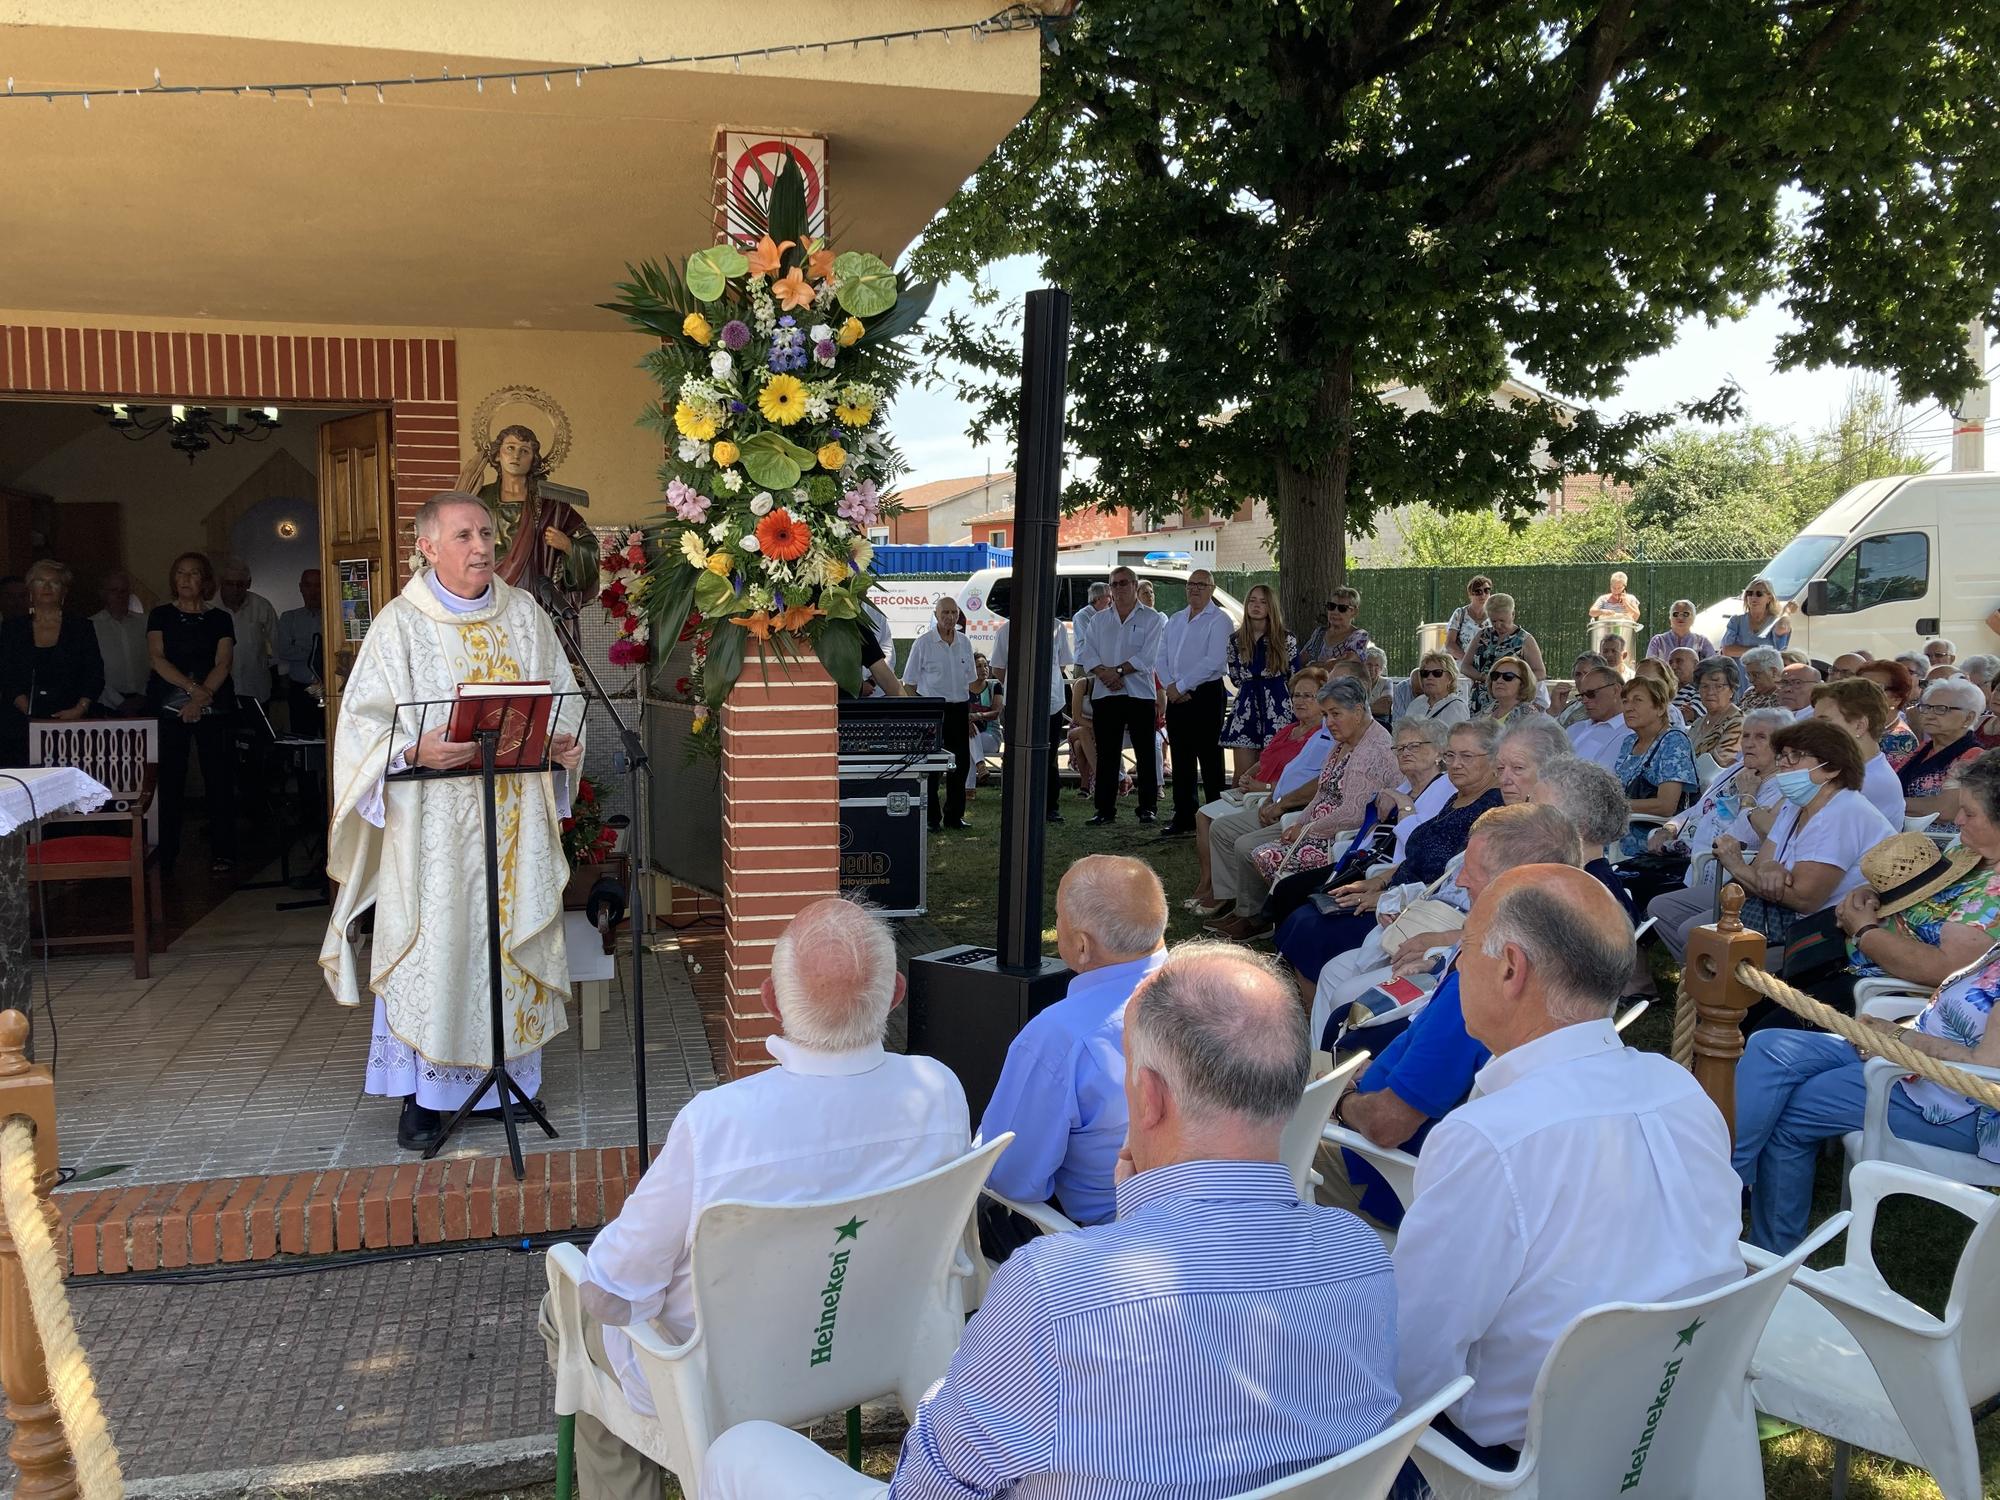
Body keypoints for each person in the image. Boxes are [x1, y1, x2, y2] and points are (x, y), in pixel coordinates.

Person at [701, 944, 1401, 1500]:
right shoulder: (1360, 1258)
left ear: (1147, 1099)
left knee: (742, 1452)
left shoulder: (1055, 1291)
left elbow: (926, 1490)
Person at [551, 900, 969, 1500]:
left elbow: (614, 1291)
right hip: (868, 1347)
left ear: (770, 1002)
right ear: (896, 992)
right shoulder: (939, 1091)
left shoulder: (718, 1124)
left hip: (716, 1380)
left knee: (564, 1306)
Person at [1393, 867, 1742, 1471]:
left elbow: (1411, 1365)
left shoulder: (1489, 1139)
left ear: (1511, 969)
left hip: (1515, 1463)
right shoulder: (1678, 1089)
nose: (1454, 965)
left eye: (1463, 947)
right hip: (1677, 1424)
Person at [320, 494, 585, 1151]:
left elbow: (566, 697)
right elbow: (359, 730)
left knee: (504, 945)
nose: (481, 546)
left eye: (487, 533)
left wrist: (556, 737)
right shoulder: (400, 625)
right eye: (463, 535)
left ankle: (504, 1087)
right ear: (429, 548)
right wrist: (413, 751)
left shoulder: (525, 615)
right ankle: (423, 1096)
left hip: (514, 820)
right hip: (435, 827)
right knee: (440, 946)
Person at [1325, 804, 1585, 1225]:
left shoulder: (1486, 985)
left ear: (1511, 886)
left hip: (1394, 1182)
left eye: (1472, 869)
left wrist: (1340, 1103)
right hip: (1469, 1176)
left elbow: (1389, 1126)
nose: (1460, 879)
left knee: (1266, 1146)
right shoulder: (1575, 966)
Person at [1734, 937, 2000, 1254]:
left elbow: (1986, 1065)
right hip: (1912, 1062)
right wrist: (1885, 1032)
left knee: (1794, 1111)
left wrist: (1899, 1038)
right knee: (1770, 1046)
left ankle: (1768, 1249)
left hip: (1957, 1105)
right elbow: (1946, 1019)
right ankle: (1729, 1178)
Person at [978, 857, 1167, 1252]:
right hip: (1225, 1224)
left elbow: (1010, 1178)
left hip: (1109, 1244)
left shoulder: (1060, 1037)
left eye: (1058, 916)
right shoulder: (1222, 988)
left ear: (1081, 945)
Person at [1278, 719, 1503, 981]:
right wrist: (1378, 881)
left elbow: (1451, 877)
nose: (1455, 763)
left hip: (1414, 909)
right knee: (1306, 913)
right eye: (1451, 755)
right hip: (1394, 888)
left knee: (1314, 929)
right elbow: (1418, 854)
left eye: (1466, 756)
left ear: (1494, 759)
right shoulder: (1458, 796)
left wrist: (1388, 896)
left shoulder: (1490, 809)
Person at [1210, 678, 1396, 939]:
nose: (1329, 722)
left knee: (1264, 855)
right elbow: (1322, 792)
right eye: (1326, 715)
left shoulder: (1371, 749)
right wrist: (1300, 823)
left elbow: (1352, 814)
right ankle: (1281, 918)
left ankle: (1283, 921)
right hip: (1318, 828)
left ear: (1357, 712)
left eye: (1335, 714)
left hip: (1344, 839)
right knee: (1263, 854)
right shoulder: (1343, 741)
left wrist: (1306, 830)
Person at [1712, 717, 1898, 955]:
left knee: (1709, 950)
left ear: (1831, 769)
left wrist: (1736, 864)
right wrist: (1770, 866)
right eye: (1782, 755)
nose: (1784, 764)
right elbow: (1760, 868)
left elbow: (1804, 900)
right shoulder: (1797, 805)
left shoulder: (1842, 812)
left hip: (1830, 938)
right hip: (1786, 920)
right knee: (1693, 933)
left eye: (1796, 756)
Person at [1823, 773, 2000, 1009]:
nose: (1957, 820)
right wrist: (1871, 892)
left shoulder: (1994, 894)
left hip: (1878, 992)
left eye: (1969, 814)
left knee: (1767, 1028)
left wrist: (1864, 931)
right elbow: (1914, 888)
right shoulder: (1967, 853)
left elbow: (1944, 970)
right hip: (1841, 960)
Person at [1187, 668, 1330, 917]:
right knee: (1205, 816)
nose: (1300, 701)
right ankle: (1216, 889)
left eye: (1309, 696)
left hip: (1281, 803)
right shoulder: (1289, 730)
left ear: (1324, 700)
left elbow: (1312, 784)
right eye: (1296, 695)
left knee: (1227, 831)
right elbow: (1265, 759)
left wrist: (1265, 791)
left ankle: (1242, 909)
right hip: (1262, 796)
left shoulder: (1324, 736)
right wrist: (1248, 776)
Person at [1649, 707, 1790, 958]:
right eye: (1746, 736)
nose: (1749, 743)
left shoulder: (1780, 786)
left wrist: (1749, 796)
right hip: (1687, 851)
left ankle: (1701, 978)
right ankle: (1695, 975)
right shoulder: (1736, 771)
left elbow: (1741, 840)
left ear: (1782, 746)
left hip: (1725, 871)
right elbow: (1700, 808)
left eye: (1760, 737)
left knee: (1684, 927)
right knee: (1651, 899)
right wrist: (1669, 827)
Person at [147, 551, 237, 874]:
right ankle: (167, 852)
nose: (186, 579)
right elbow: (157, 658)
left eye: (194, 573)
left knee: (219, 777)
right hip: (171, 700)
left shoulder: (220, 618)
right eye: (180, 573)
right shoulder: (160, 615)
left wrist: (202, 698)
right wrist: (191, 690)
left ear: (205, 581)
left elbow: (223, 661)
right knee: (170, 779)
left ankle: (224, 850)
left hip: (212, 700)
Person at [461, 422, 599, 608]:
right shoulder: (479, 499)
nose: (516, 455)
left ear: (533, 459)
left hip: (536, 599)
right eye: (510, 448)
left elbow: (590, 544)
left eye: (524, 451)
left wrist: (568, 545)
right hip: (487, 594)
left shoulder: (551, 503)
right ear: (497, 454)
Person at [1078, 566, 1165, 826]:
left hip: (1140, 693)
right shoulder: (1099, 620)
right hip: (1106, 694)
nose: (1118, 588)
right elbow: (1085, 653)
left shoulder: (1152, 619)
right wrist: (1105, 674)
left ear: (1135, 585)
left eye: (1123, 583)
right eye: (1113, 584)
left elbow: (1148, 657)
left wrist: (1117, 671)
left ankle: (1147, 807)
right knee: (1107, 753)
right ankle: (1104, 810)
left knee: (1146, 752)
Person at [0, 559, 104, 767]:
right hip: (21, 723)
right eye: (40, 581)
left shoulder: (81, 627)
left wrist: (80, 708)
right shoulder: (12, 628)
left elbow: (94, 673)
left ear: (64, 591)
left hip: (72, 719)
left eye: (54, 582)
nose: (47, 587)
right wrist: (27, 708)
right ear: (30, 589)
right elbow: (5, 673)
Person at [1160, 569, 1232, 837]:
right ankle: (1184, 816)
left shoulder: (1220, 620)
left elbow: (1213, 661)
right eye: (1191, 584)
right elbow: (1161, 655)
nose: (1195, 589)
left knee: (1210, 759)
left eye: (1201, 585)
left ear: (1212, 589)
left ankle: (1214, 820)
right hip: (1176, 695)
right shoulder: (1176, 619)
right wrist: (1171, 686)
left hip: (1205, 695)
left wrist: (1180, 686)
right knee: (1181, 758)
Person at [901, 594, 980, 832]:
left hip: (959, 709)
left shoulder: (965, 642)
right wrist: (918, 713)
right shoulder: (923, 643)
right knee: (932, 766)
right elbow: (909, 683)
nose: (949, 617)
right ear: (936, 614)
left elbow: (973, 683)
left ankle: (955, 817)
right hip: (933, 709)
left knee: (961, 764)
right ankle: (931, 819)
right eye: (945, 612)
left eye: (953, 613)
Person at [1528, 756, 1642, 919]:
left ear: (1579, 828)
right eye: (1528, 804)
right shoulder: (1585, 878)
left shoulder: (1584, 895)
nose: (1525, 816)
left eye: (1542, 813)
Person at [992, 608, 1072, 822]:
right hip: (1018, 705)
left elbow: (1061, 664)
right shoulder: (1006, 631)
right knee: (1016, 755)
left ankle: (1050, 808)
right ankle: (1017, 806)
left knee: (1050, 757)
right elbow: (998, 670)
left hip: (1051, 703)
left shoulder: (1057, 628)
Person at [1218, 582, 1297, 776]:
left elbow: (1294, 676)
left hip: (1278, 708)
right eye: (1252, 601)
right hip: (1246, 707)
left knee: (1273, 771)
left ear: (1271, 606)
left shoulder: (1286, 639)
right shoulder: (1235, 640)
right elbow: (1235, 677)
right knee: (1242, 774)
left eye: (1262, 601)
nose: (1256, 605)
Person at [1612, 675, 1695, 856]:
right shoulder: (1629, 741)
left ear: (1659, 708)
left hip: (1648, 836)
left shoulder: (1673, 741)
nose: (1628, 707)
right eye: (1625, 701)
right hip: (1618, 827)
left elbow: (1666, 806)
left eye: (1638, 700)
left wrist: (1617, 805)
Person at [1811, 677, 1905, 826]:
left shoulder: (1868, 781)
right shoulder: (1855, 772)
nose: (1812, 729)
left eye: (1824, 722)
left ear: (1860, 726)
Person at [1900, 676, 1985, 835]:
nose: (1930, 715)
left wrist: (1889, 803)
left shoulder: (1974, 756)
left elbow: (1946, 810)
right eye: (1926, 707)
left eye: (1941, 709)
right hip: (1906, 839)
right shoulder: (1924, 749)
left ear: (1969, 717)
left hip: (1941, 845)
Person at [1463, 592, 1547, 716]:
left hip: (1511, 704)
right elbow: (1465, 666)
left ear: (1512, 615)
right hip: (1480, 702)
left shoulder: (1524, 639)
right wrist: (1485, 678)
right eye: (1493, 621)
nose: (1498, 625)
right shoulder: (1482, 636)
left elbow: (1540, 672)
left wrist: (1514, 681)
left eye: (1502, 620)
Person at [217, 558, 278, 710]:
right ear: (221, 582)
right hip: (217, 690)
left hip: (256, 688)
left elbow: (277, 641)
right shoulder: (209, 607)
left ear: (248, 583)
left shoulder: (262, 606)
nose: (235, 589)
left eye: (240, 584)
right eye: (230, 584)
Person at [89, 566, 150, 715]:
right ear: (103, 593)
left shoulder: (145, 623)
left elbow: (154, 661)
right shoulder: (91, 626)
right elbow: (91, 670)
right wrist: (118, 701)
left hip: (145, 701)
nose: (120, 595)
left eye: (124, 591)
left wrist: (142, 695)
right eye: (114, 591)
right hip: (106, 704)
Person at [273, 567, 326, 735]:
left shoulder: (333, 617)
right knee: (302, 736)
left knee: (331, 735)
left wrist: (301, 647)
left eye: (318, 586)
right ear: (301, 588)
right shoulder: (289, 618)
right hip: (300, 689)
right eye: (309, 586)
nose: (313, 591)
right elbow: (284, 650)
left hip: (329, 689)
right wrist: (317, 650)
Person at [1563, 666, 1628, 771]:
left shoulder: (1629, 734)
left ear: (1616, 690)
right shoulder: (1575, 728)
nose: (1584, 700)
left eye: (1591, 694)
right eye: (1582, 695)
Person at [1857, 657, 1920, 764]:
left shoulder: (1901, 741)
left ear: (1896, 699)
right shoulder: (1854, 725)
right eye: (1859, 687)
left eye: (1875, 688)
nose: (1863, 694)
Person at [1719, 576, 1794, 656]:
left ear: (1769, 598)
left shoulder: (1775, 622)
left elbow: (1782, 627)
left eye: (1759, 594)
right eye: (1749, 593)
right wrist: (1760, 651)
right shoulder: (1736, 621)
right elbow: (1726, 650)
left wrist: (1787, 611)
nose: (1753, 597)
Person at [1690, 658, 1744, 766]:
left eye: (1718, 686)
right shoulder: (1698, 722)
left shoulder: (1738, 723)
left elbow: (1719, 766)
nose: (1710, 692)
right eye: (1704, 686)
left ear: (1732, 689)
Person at [1302, 586, 1369, 665]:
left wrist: (1311, 666)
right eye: (1331, 606)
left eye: (1342, 608)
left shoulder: (1359, 635)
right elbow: (1301, 659)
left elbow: (1345, 664)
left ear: (1354, 612)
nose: (1335, 612)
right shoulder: (1319, 632)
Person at [1443, 576, 1494, 670]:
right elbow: (1450, 644)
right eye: (1478, 592)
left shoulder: (1494, 616)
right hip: (1461, 669)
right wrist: (1469, 662)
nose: (1483, 595)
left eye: (1487, 590)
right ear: (1470, 595)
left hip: (1486, 669)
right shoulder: (1460, 613)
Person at [1406, 650, 1469, 726]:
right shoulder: (1415, 704)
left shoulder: (1457, 707)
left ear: (1450, 678)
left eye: (1437, 673)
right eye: (1425, 673)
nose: (1429, 677)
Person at [1479, 653, 1541, 727]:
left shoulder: (1528, 715)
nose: (1499, 680)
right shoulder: (1487, 709)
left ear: (1523, 684)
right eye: (1495, 676)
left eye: (1508, 676)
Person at [1552, 651, 1610, 728]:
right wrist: (1555, 709)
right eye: (1578, 674)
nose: (1582, 679)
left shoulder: (1600, 706)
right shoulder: (1572, 704)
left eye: (1587, 674)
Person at [1646, 598, 1715, 662]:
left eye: (1685, 614)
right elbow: (1650, 668)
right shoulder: (1658, 641)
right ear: (1670, 618)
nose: (1680, 617)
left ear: (1693, 618)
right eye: (1675, 614)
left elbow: (1712, 667)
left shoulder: (1702, 642)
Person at [1069, 580, 1110, 659]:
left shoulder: (1108, 614)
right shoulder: (1082, 616)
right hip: (1085, 664)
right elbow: (1091, 641)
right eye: (1108, 596)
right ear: (1098, 599)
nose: (1112, 599)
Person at [1738, 644, 1785, 711]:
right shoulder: (1750, 692)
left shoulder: (1784, 698)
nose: (1751, 680)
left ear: (1774, 672)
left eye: (1755, 675)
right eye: (1748, 675)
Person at [1667, 645, 1703, 720]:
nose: (1673, 666)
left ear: (1695, 665)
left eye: (1679, 661)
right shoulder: (1665, 690)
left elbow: (1685, 717)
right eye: (1670, 662)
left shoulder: (1702, 690)